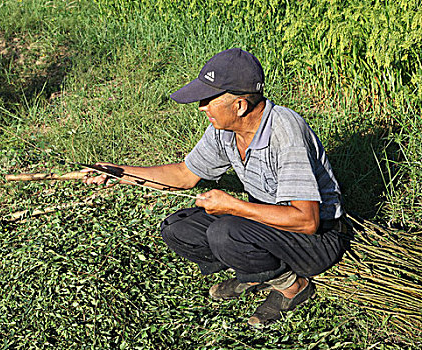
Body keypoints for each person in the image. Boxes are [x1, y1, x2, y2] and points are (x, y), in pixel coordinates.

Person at [81, 48, 349, 327]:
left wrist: (233, 207)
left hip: (318, 240)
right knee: (178, 228)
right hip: (269, 225)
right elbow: (184, 175)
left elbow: (306, 220)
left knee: (225, 232)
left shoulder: (285, 132)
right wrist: (116, 173)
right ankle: (257, 270)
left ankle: (293, 287)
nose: (201, 107)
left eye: (208, 100)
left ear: (240, 106)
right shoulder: (224, 130)